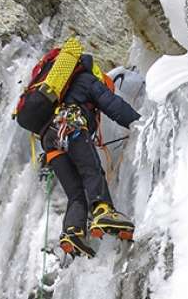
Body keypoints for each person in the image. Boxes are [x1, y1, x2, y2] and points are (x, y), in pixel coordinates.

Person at [40, 53, 141, 258]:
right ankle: (104, 211)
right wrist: (139, 122)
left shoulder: (58, 91)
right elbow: (113, 105)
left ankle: (73, 231)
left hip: (50, 142)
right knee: (92, 171)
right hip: (70, 126)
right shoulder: (87, 80)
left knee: (75, 192)